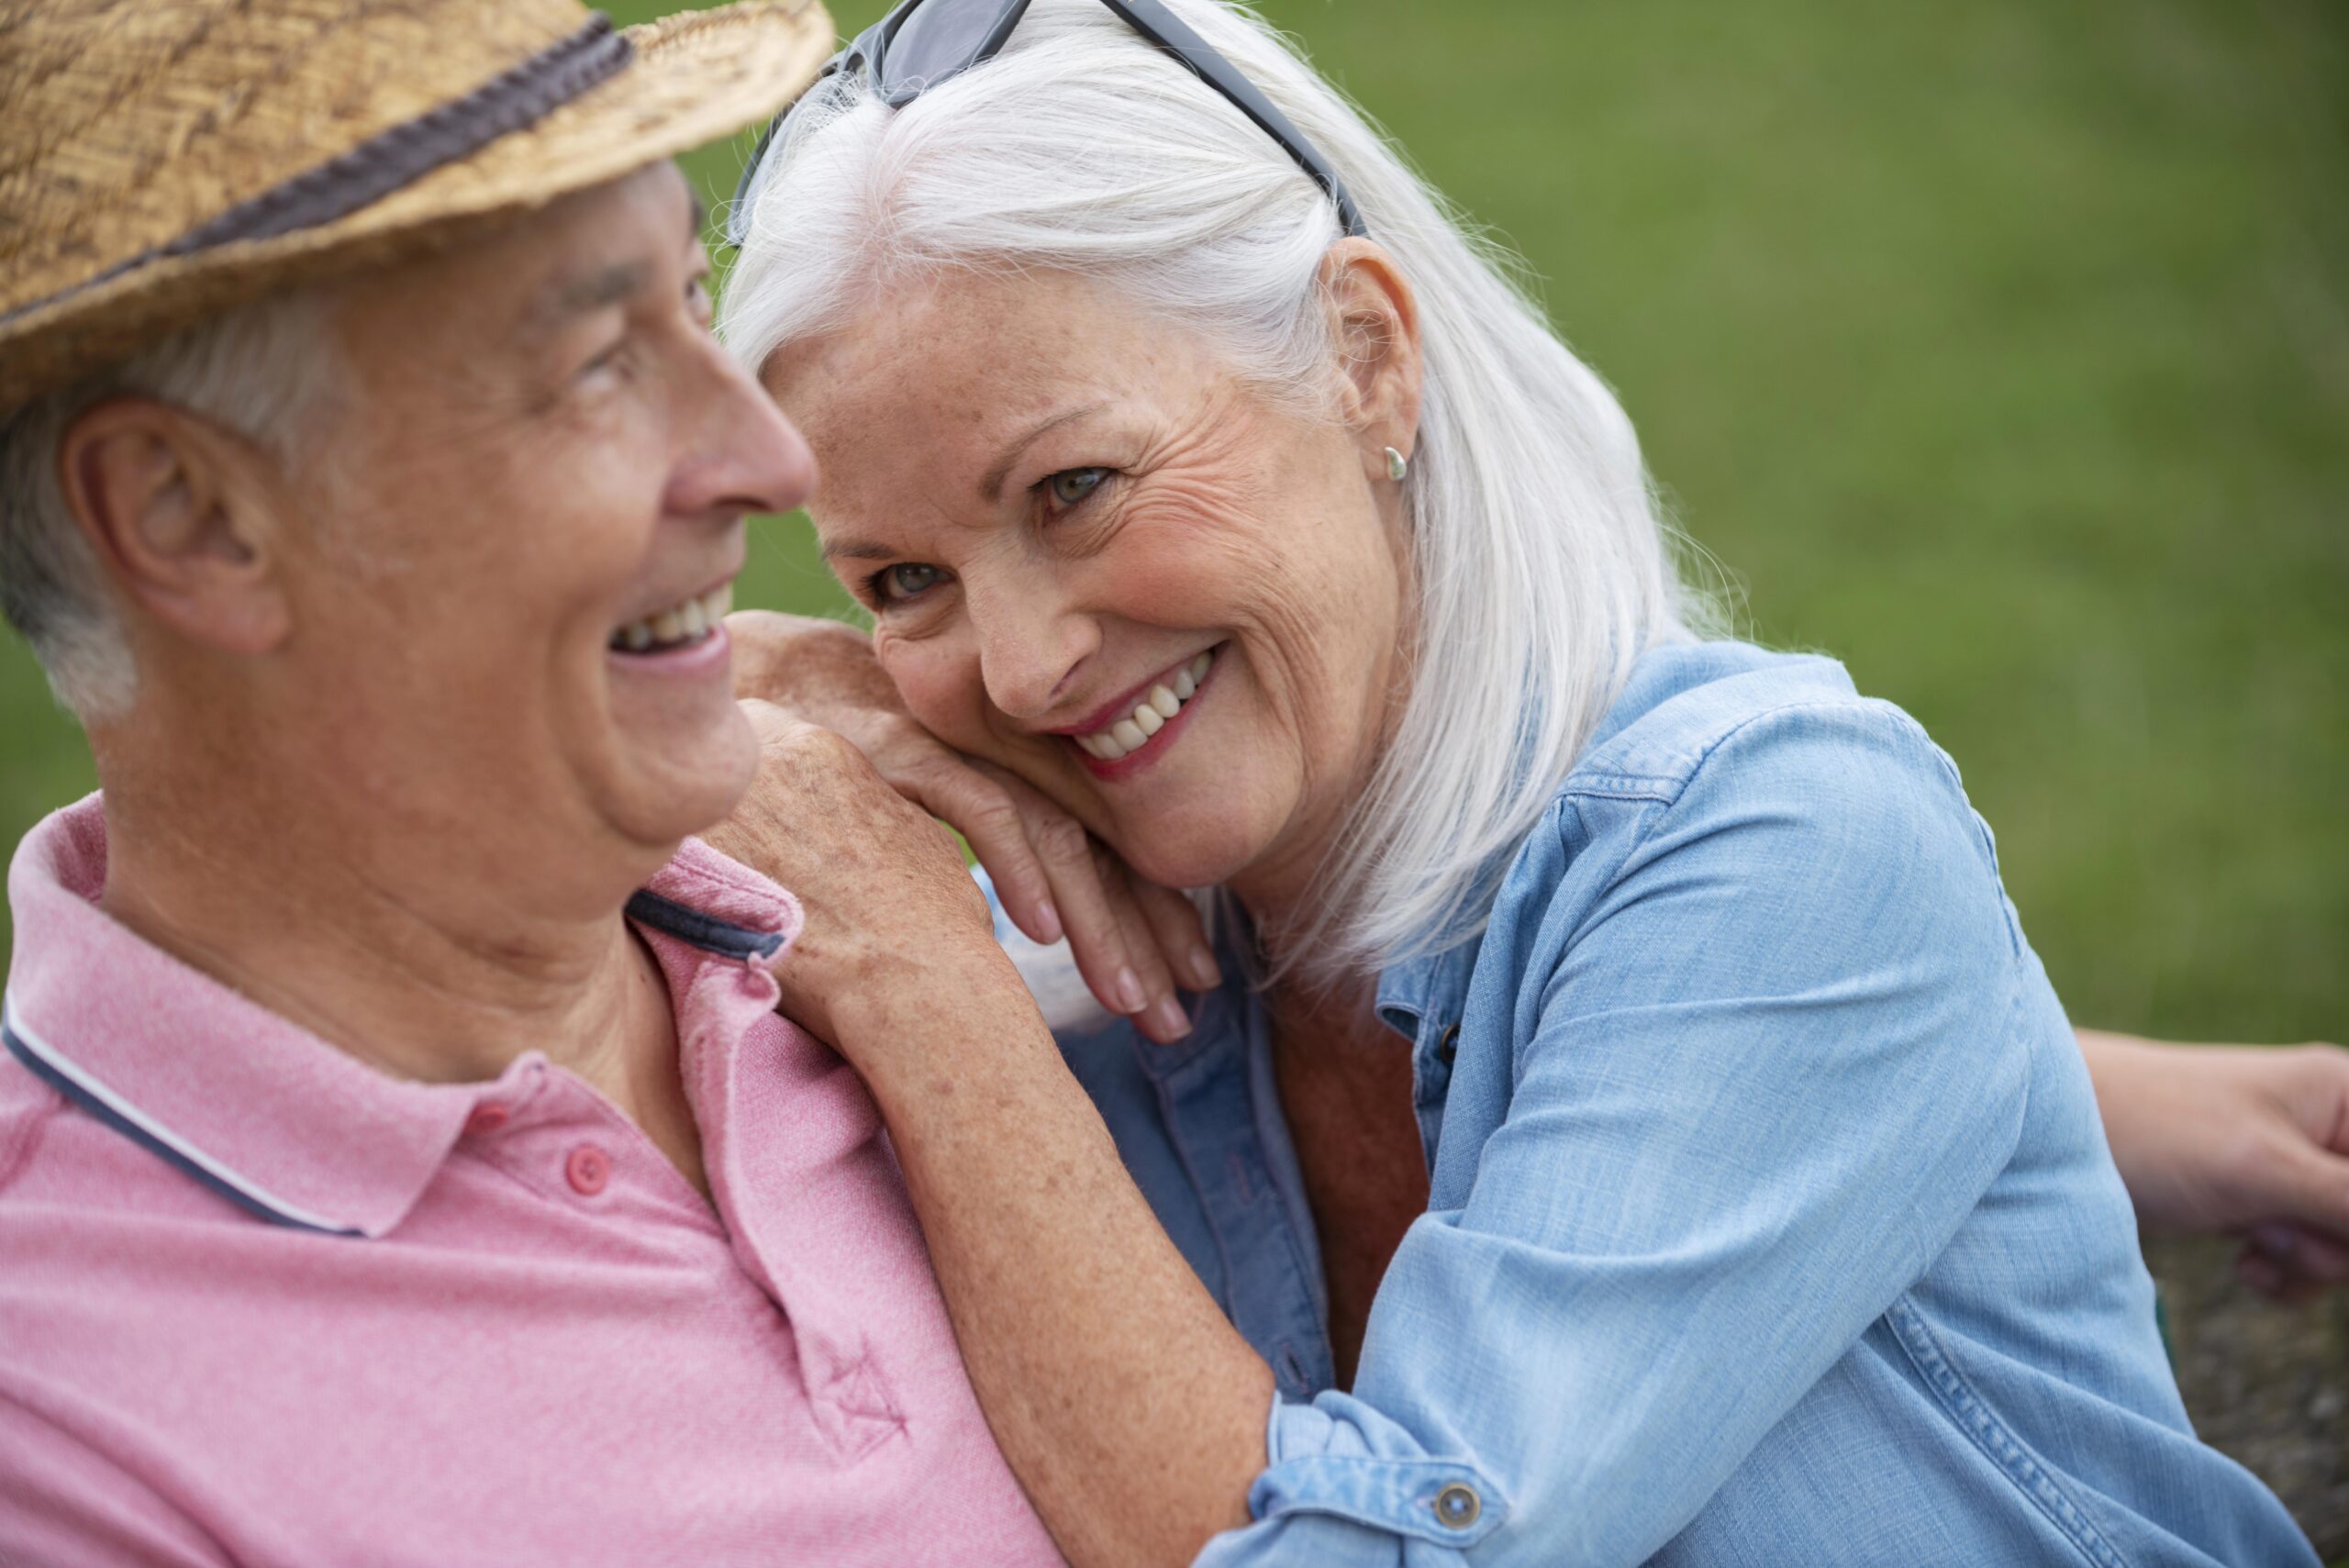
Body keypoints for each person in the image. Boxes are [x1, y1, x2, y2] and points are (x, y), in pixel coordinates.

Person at [713, 0, 2335, 1562]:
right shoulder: (1083, 934)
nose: (1017, 667)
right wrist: (718, 698)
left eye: (1075, 486)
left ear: (1364, 357)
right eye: (900, 582)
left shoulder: (1787, 837)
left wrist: (927, 994)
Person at [0, 3, 1069, 1563]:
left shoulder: (926, 868)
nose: (772, 459)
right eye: (594, 365)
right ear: (185, 517)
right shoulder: (63, 1425)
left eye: (695, 308)